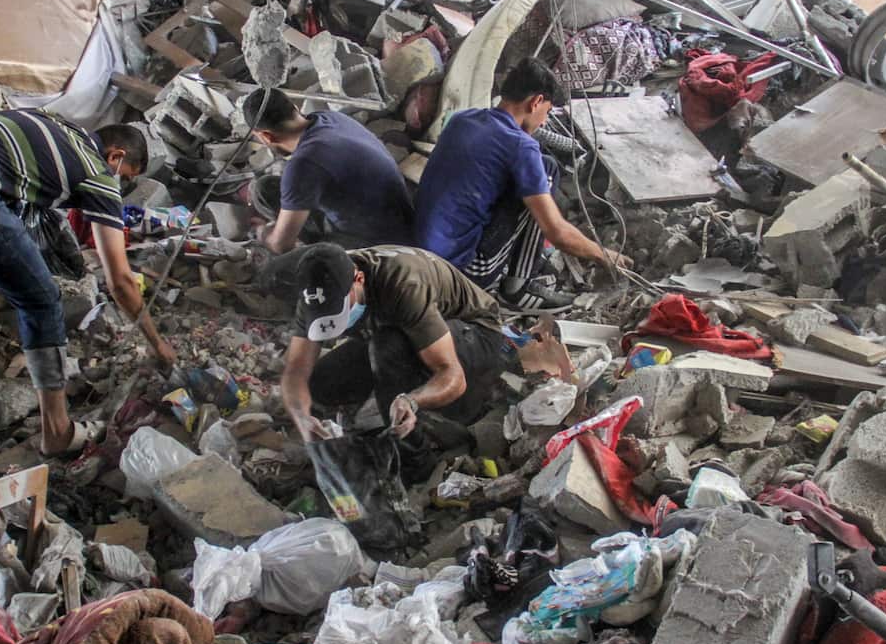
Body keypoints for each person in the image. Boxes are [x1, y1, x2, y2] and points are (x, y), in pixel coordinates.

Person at [0, 109, 177, 456]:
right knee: (41, 300)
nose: (120, 186)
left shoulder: (63, 126)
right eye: (124, 178)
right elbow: (121, 282)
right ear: (116, 156)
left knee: (32, 268)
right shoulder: (97, 172)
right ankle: (58, 432)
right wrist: (158, 345)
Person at [413, 57, 631, 311]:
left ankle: (518, 275)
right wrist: (605, 255)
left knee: (542, 165)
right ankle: (518, 288)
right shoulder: (520, 146)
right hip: (462, 270)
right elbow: (556, 232)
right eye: (546, 112)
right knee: (546, 172)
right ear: (536, 101)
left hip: (422, 252)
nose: (543, 121)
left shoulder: (462, 119)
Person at [281, 243, 513, 444]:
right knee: (322, 384)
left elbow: (452, 374)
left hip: (477, 333)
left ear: (359, 280)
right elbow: (296, 370)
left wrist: (411, 401)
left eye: (339, 310)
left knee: (386, 350)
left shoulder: (402, 284)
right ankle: (377, 412)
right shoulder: (314, 295)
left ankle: (415, 455)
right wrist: (300, 416)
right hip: (396, 329)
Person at [243, 89, 414, 253]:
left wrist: (263, 234)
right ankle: (296, 232)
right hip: (395, 215)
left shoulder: (304, 164)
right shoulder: (330, 118)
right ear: (295, 108)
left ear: (266, 136)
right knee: (263, 190)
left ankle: (305, 239)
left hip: (384, 242)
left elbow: (280, 246)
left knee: (305, 258)